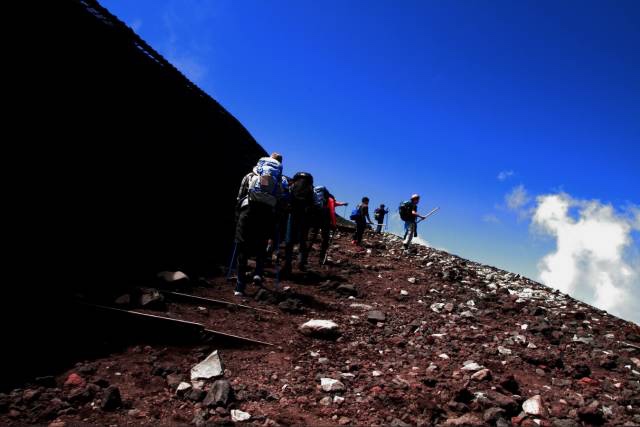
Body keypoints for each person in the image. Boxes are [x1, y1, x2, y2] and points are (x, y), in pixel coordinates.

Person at [233, 153, 284, 296]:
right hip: (266, 214)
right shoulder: (279, 181)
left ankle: (240, 286)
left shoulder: (250, 176)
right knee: (261, 244)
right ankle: (258, 273)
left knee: (242, 246)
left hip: (248, 211)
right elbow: (279, 201)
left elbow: (240, 196)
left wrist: (238, 215)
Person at [283, 172, 315, 275]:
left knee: (289, 241)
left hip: (292, 215)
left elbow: (287, 198)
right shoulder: (310, 189)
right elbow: (312, 204)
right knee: (303, 240)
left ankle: (287, 264)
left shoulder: (293, 185)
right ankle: (301, 263)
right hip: (305, 217)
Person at [309, 185, 348, 262]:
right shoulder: (330, 199)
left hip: (315, 218)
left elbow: (336, 203)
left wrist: (343, 204)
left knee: (312, 236)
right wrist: (334, 224)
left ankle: (303, 257)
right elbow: (332, 212)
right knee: (325, 239)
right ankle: (321, 258)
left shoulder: (317, 198)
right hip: (325, 220)